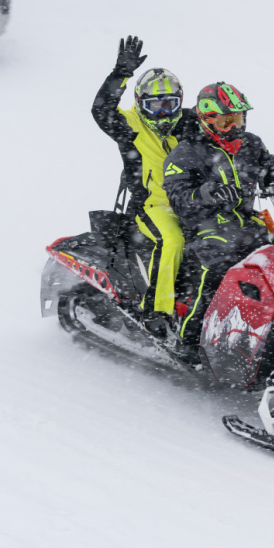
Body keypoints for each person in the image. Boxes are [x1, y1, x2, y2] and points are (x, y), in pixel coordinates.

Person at [163, 82, 274, 347]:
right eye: (226, 121)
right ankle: (188, 338)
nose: (234, 128)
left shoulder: (250, 145)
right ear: (207, 120)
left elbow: (273, 171)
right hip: (204, 228)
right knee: (217, 270)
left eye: (238, 119)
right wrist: (208, 193)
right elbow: (179, 199)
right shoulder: (185, 152)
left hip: (246, 224)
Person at [91, 35, 197, 335]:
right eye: (155, 106)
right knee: (172, 241)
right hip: (152, 205)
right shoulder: (129, 125)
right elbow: (101, 111)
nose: (163, 113)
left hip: (192, 201)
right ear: (140, 105)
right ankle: (158, 312)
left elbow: (221, 135)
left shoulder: (190, 123)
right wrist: (120, 74)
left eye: (170, 105)